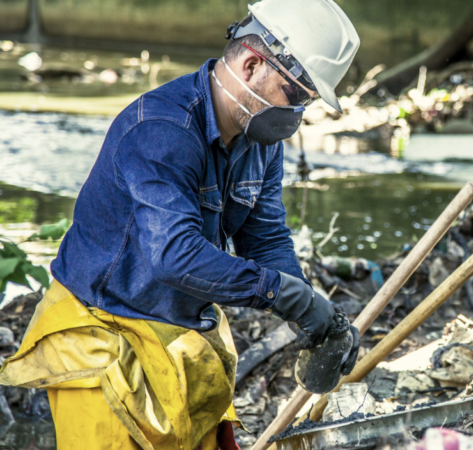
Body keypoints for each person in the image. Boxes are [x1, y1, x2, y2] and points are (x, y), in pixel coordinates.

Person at [0, 1, 361, 448]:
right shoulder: (160, 130)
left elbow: (264, 238)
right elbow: (176, 256)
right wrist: (282, 295)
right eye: (297, 95)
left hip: (181, 333)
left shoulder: (259, 137)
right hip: (102, 336)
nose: (297, 114)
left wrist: (317, 315)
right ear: (252, 65)